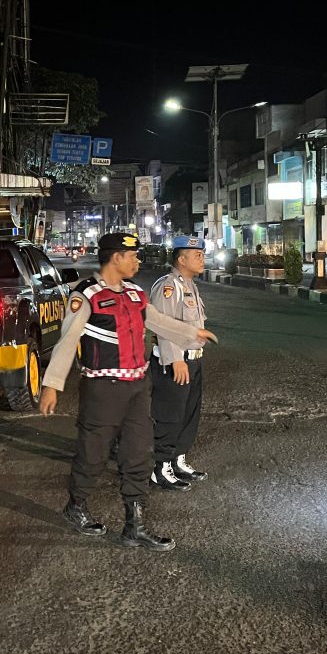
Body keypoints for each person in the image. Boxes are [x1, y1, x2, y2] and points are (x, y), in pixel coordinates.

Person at [39, 233, 216, 550]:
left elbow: (159, 322)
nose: (137, 260)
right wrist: (51, 385)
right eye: (132, 255)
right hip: (102, 389)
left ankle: (134, 526)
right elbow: (67, 341)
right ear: (115, 258)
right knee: (92, 456)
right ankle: (75, 505)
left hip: (137, 387)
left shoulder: (135, 294)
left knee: (138, 454)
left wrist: (193, 332)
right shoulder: (86, 295)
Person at [149, 235, 211, 491]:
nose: (202, 259)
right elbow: (163, 326)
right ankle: (159, 468)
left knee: (188, 415)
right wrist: (176, 360)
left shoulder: (190, 285)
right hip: (175, 362)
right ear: (181, 258)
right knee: (170, 415)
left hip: (193, 361)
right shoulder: (168, 286)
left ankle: (177, 460)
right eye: (197, 255)